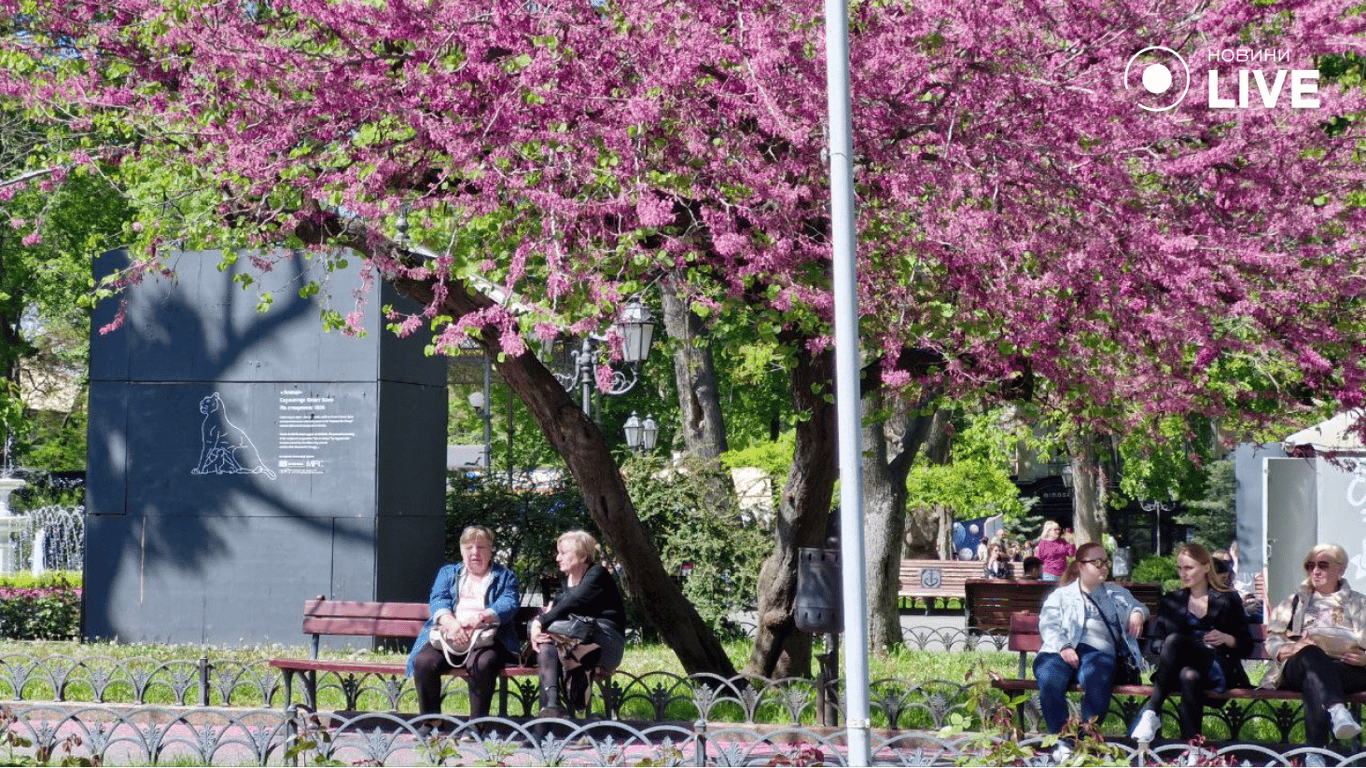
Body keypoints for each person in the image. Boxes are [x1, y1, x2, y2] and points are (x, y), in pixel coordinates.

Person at [1033, 541, 1149, 763]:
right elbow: (1048, 625)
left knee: (1098, 675)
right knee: (1049, 677)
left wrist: (1136, 613)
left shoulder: (1117, 593)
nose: (1104, 566)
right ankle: (1062, 740)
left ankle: (1086, 741)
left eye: (1106, 561)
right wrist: (1064, 647)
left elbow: (1140, 606)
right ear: (1080, 566)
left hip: (1098, 653)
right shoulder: (1061, 595)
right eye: (1097, 562)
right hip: (1060, 651)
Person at [1130, 544, 1253, 745]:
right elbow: (1157, 644)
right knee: (1188, 674)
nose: (1182, 574)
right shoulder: (1172, 600)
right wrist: (1177, 651)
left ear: (1206, 568)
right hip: (1181, 671)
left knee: (1176, 641)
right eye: (1179, 568)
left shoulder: (1228, 598)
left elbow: (1246, 645)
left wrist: (1227, 638)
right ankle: (1193, 750)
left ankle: (1152, 710)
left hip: (1218, 665)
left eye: (1189, 568)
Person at [406, 526, 521, 722]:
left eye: (481, 547)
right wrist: (451, 624)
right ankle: (431, 722)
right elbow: (438, 600)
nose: (475, 553)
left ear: (490, 549)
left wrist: (479, 618)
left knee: (482, 664)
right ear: (461, 550)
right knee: (423, 662)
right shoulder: (448, 573)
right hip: (448, 634)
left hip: (487, 637)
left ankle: (477, 725)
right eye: (469, 547)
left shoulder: (504, 576)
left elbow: (508, 603)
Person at [1260, 543, 1366, 754]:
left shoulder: (1359, 602)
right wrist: (1292, 648)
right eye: (1310, 566)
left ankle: (1315, 755)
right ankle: (1337, 709)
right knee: (1311, 654)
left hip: (1345, 668)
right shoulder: (1295, 601)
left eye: (1323, 565)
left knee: (1314, 679)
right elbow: (1273, 640)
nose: (1315, 571)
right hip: (1298, 664)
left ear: (1341, 569)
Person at [530, 530, 627, 718]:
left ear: (583, 555)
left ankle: (579, 660)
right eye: (558, 553)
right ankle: (550, 708)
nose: (558, 558)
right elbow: (562, 608)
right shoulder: (568, 579)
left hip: (605, 642)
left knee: (548, 630)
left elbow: (574, 602)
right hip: (574, 640)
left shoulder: (597, 573)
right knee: (546, 641)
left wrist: (539, 622)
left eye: (563, 552)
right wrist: (541, 623)